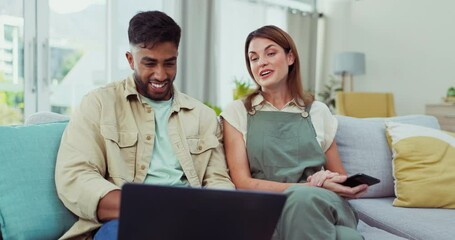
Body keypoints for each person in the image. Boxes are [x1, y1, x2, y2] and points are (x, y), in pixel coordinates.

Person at [55, 11, 234, 240]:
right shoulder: (99, 104)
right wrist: (151, 209)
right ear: (130, 59)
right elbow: (75, 176)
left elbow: (218, 180)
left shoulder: (203, 116)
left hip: (192, 222)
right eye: (149, 63)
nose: (160, 75)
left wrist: (221, 211)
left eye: (169, 63)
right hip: (125, 222)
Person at [220, 25, 368, 240]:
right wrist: (308, 186)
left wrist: (329, 179)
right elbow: (244, 183)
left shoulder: (319, 111)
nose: (261, 62)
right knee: (347, 237)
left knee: (303, 201)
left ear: (290, 57)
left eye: (270, 53)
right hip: (270, 206)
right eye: (253, 58)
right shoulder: (237, 112)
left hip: (322, 202)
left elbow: (339, 175)